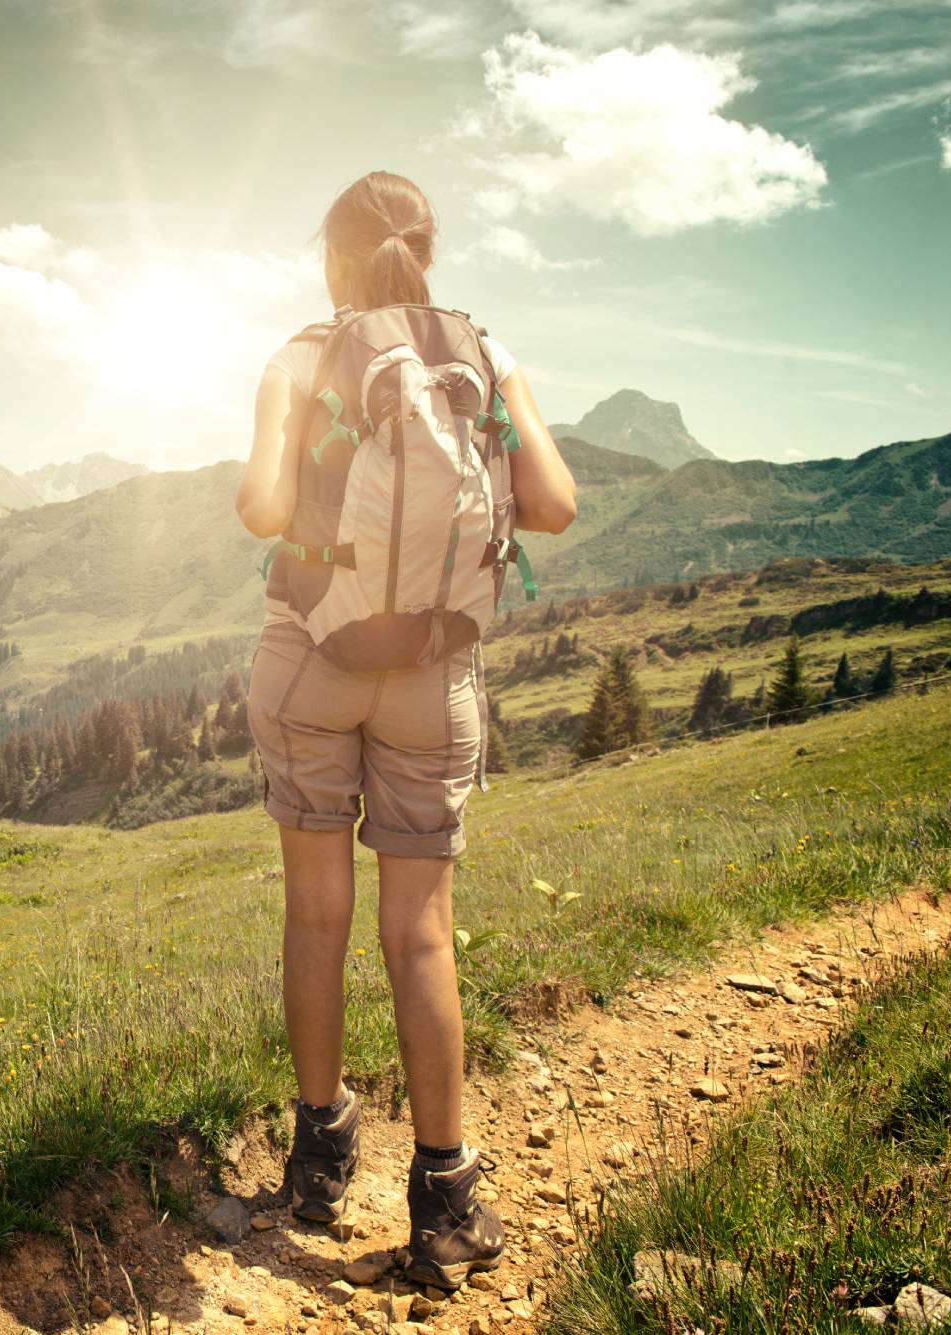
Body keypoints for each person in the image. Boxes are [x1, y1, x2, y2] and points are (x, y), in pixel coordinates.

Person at [233, 170, 577, 1290]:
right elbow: (554, 505)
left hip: (313, 658)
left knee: (314, 915)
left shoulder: (298, 355)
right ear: (427, 251)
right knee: (418, 935)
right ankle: (444, 1199)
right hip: (433, 668)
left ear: (330, 262)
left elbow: (263, 511)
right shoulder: (483, 349)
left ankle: (320, 1162)